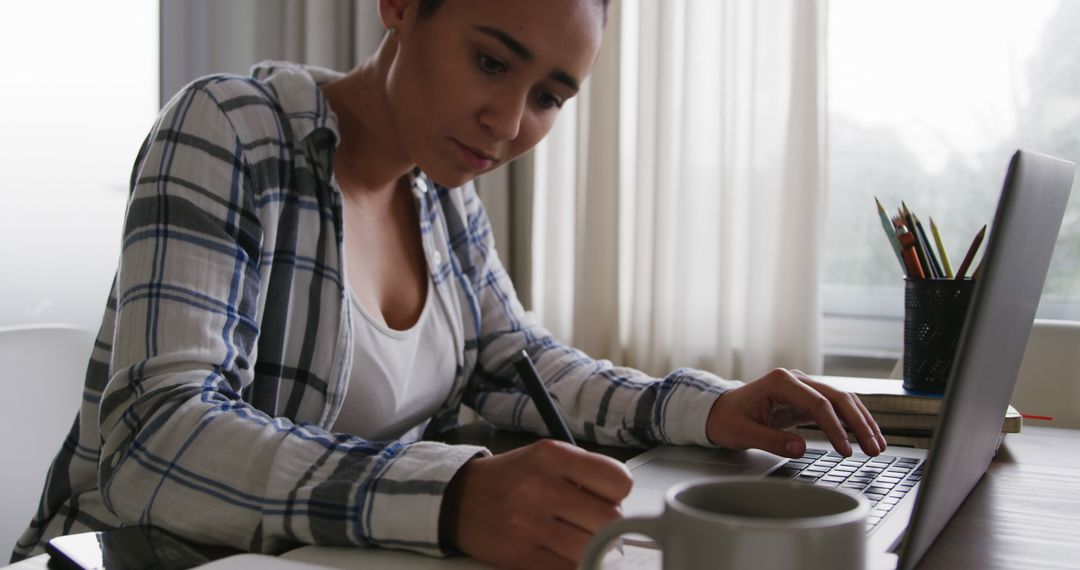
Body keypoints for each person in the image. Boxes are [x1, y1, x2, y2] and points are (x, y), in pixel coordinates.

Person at [12, 0, 886, 568]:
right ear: (399, 7)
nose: (508, 124)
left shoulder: (440, 191)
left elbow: (519, 364)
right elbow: (154, 444)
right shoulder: (230, 131)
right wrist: (455, 495)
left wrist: (710, 409)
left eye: (548, 96)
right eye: (491, 62)